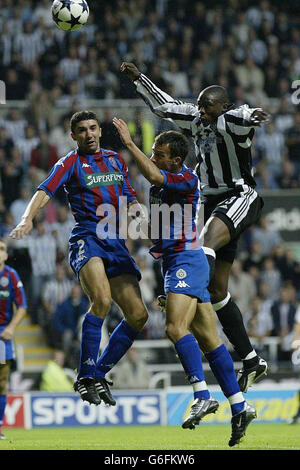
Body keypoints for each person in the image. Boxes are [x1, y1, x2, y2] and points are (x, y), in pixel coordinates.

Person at [121, 61, 269, 393]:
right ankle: (250, 359)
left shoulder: (232, 120)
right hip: (212, 203)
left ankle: (185, 294)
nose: (202, 111)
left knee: (203, 244)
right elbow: (163, 105)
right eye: (200, 105)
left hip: (239, 195)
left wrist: (256, 113)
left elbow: (245, 116)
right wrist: (138, 79)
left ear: (223, 108)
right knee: (218, 291)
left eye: (208, 106)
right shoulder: (195, 118)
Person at [113, 117, 256, 447]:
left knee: (176, 328)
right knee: (209, 339)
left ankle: (201, 394)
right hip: (173, 261)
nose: (152, 157)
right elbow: (157, 229)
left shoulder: (185, 178)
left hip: (187, 259)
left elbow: (150, 172)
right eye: (151, 151)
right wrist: (135, 217)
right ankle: (240, 405)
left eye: (158, 154)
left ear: (175, 160)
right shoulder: (159, 187)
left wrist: (129, 144)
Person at [10, 110, 148, 408]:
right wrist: (27, 218)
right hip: (87, 236)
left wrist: (142, 219)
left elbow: (129, 197)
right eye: (82, 130)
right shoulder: (70, 162)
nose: (89, 134)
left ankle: (97, 373)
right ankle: (85, 375)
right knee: (101, 299)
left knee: (139, 315)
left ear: (100, 131)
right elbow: (45, 189)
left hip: (116, 241)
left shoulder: (115, 159)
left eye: (93, 128)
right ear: (74, 136)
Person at [0, 238, 27, 439]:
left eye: (2, 249)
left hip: (2, 335)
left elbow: (22, 307)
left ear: (6, 254)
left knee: (1, 381)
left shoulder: (11, 275)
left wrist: (11, 328)